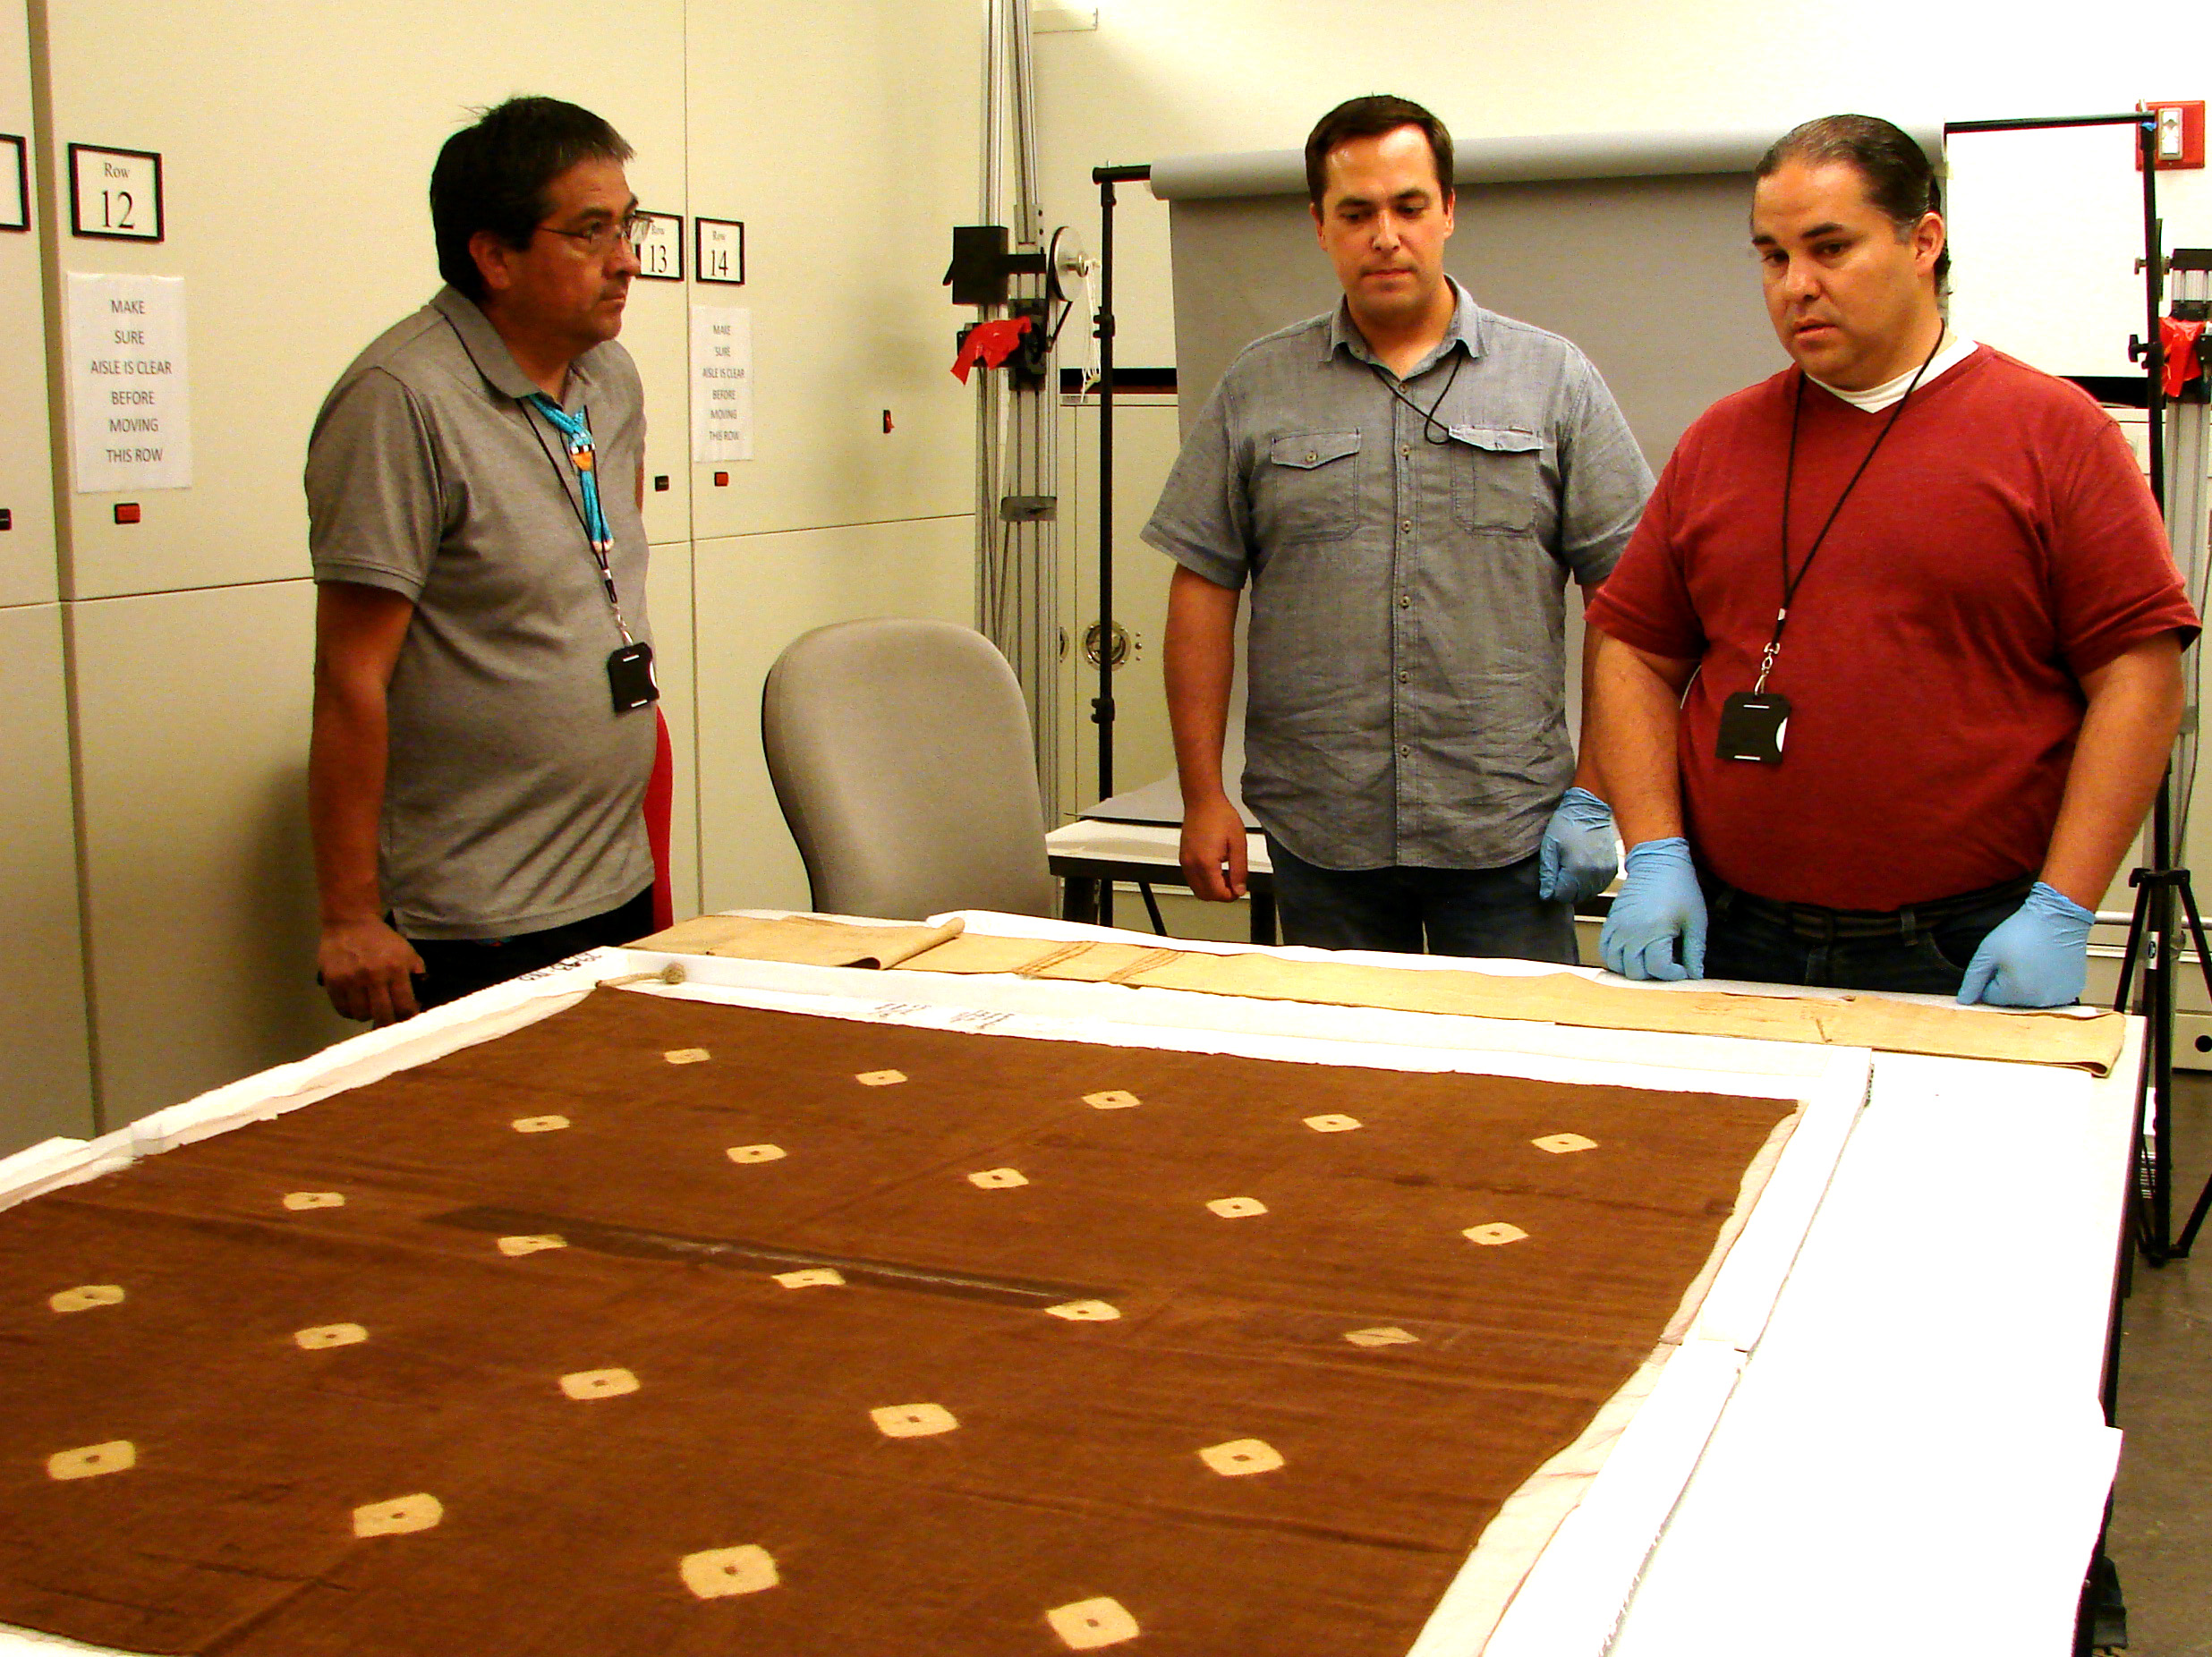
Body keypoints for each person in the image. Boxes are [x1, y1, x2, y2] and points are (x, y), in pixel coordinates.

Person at [1586, 113, 2199, 1007]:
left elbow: (2140, 681)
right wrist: (1654, 851)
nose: (1797, 285)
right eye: (1773, 256)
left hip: (1965, 944)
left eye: (1830, 248)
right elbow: (1634, 650)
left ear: (1924, 242)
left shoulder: (2053, 435)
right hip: (1730, 932)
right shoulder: (1722, 441)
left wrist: (2065, 902)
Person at [1144, 94, 1652, 960]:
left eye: (1409, 206)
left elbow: (1631, 604)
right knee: (1343, 1086)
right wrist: (1202, 796)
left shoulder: (1553, 380)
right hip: (1321, 837)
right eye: (1357, 212)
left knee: (1512, 1086)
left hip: (1508, 835)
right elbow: (1202, 591)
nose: (1385, 234)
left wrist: (1595, 795)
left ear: (1448, 210)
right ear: (1320, 225)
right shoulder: (1258, 388)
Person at [307, 97, 659, 1025]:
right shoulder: (400, 401)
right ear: (493, 257)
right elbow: (350, 676)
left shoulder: (609, 379)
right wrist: (347, 916)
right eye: (590, 232)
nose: (626, 258)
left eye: (629, 224)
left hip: (614, 876)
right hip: (474, 914)